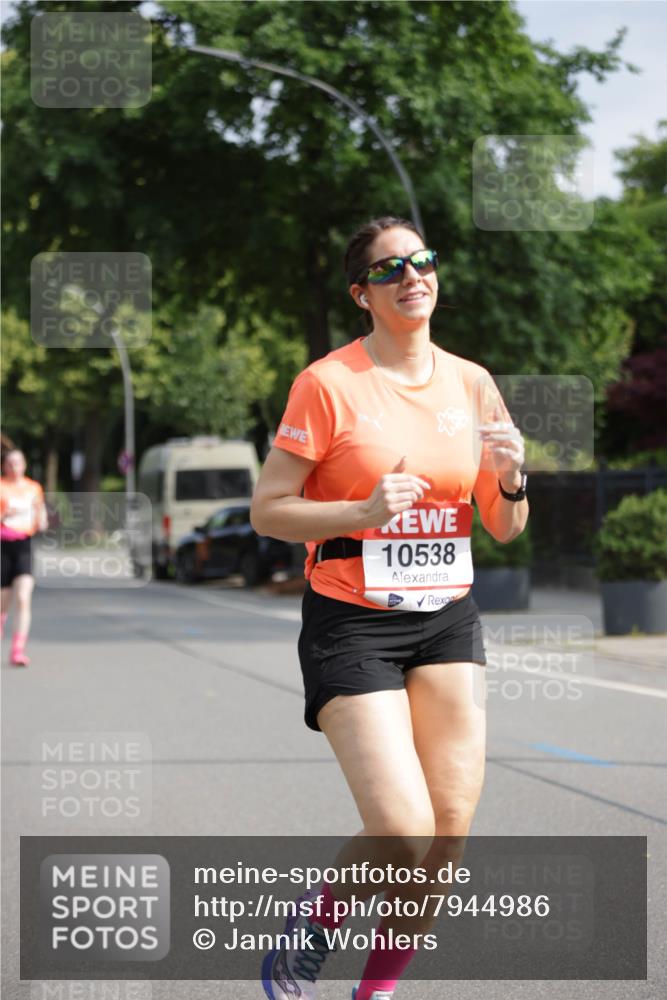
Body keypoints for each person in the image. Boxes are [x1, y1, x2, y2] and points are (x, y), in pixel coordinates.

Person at [251, 216, 528, 1000]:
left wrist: (511, 481)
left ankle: (374, 992)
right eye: (391, 268)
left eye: (423, 261)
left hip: (447, 618)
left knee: (446, 833)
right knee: (403, 830)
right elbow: (269, 509)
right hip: (353, 619)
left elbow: (502, 526)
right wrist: (359, 512)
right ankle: (318, 920)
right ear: (361, 294)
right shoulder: (328, 383)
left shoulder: (471, 382)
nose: (413, 276)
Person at [1, 448, 47, 666]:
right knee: (3, 603)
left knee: (23, 597)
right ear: (4, 466)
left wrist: (43, 520)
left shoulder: (33, 488)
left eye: (18, 462)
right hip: (2, 546)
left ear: (24, 465)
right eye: (10, 463)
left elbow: (40, 512)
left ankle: (17, 650)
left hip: (23, 545)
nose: (14, 467)